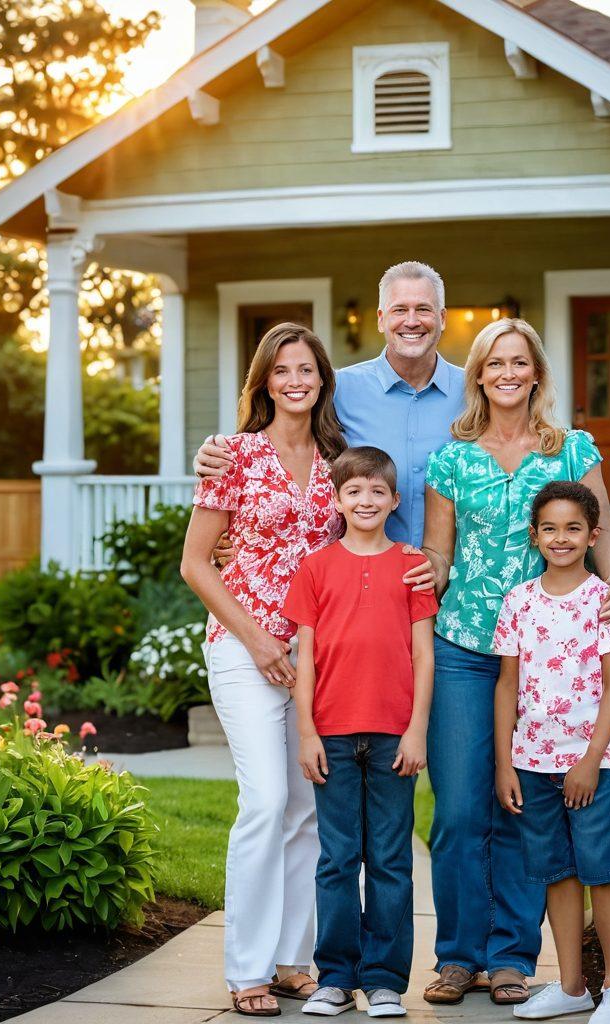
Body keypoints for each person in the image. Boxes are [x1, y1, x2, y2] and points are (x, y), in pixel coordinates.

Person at [419, 318, 610, 1006]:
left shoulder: (569, 448)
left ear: (536, 372)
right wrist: (406, 584)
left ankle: (511, 956)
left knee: (521, 808)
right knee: (458, 808)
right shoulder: (451, 457)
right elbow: (439, 553)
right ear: (477, 375)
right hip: (464, 647)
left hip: (548, 659)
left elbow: (602, 527)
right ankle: (458, 957)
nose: (507, 373)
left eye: (519, 362)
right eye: (494, 363)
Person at [181, 323, 346, 1017]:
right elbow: (195, 563)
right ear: (264, 382)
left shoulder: (340, 461)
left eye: (306, 369)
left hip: (315, 654)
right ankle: (245, 969)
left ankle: (292, 960)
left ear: (321, 379)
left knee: (307, 807)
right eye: (282, 371)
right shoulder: (235, 457)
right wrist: (258, 641)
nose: (295, 381)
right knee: (266, 801)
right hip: (246, 649)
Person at [284, 447, 437, 1019]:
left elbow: (424, 658)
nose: (366, 501)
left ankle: (384, 981)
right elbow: (306, 660)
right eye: (354, 491)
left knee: (392, 859)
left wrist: (418, 729)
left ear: (395, 501)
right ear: (338, 499)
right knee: (339, 859)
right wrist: (307, 732)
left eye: (377, 492)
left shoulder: (411, 564)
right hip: (335, 736)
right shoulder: (316, 567)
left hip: (396, 735)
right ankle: (335, 977)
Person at [493, 481, 610, 1024]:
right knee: (556, 873)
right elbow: (507, 685)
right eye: (550, 529)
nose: (561, 538)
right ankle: (572, 986)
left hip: (589, 764)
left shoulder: (607, 601)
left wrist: (590, 760)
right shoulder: (519, 602)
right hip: (532, 762)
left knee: (602, 872)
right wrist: (506, 762)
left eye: (573, 528)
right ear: (534, 536)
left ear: (593, 535)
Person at [194, 261, 464, 547]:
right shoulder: (338, 388)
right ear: (381, 319)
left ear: (442, 318)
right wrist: (214, 457)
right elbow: (277, 440)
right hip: (361, 579)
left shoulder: (474, 392)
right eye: (399, 310)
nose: (411, 321)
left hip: (453, 578)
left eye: (423, 309)